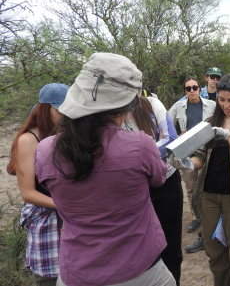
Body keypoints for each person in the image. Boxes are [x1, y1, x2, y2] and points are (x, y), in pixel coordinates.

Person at [34, 53, 176, 286]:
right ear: (124, 108)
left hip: (75, 272)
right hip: (141, 271)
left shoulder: (45, 149)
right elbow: (160, 178)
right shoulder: (139, 145)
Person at [169, 74, 230, 286]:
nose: (226, 105)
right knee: (215, 251)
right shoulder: (209, 123)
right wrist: (185, 163)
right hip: (209, 197)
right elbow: (200, 157)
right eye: (221, 99)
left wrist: (228, 136)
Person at [7, 83, 69, 286]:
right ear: (45, 108)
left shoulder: (60, 135)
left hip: (68, 216)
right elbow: (28, 193)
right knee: (51, 277)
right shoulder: (29, 139)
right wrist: (68, 205)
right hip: (48, 217)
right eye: (60, 110)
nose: (65, 115)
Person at [125, 92, 183, 285]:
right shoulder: (109, 113)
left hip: (167, 180)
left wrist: (135, 156)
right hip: (137, 185)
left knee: (171, 244)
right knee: (141, 244)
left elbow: (171, 140)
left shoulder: (152, 104)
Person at [169, 77, 215, 234]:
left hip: (208, 148)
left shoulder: (212, 105)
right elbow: (166, 126)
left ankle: (210, 216)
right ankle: (197, 218)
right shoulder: (178, 107)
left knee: (209, 184)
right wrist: (177, 137)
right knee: (191, 186)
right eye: (188, 88)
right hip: (187, 150)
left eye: (195, 87)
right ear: (185, 91)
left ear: (199, 88)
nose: (192, 91)